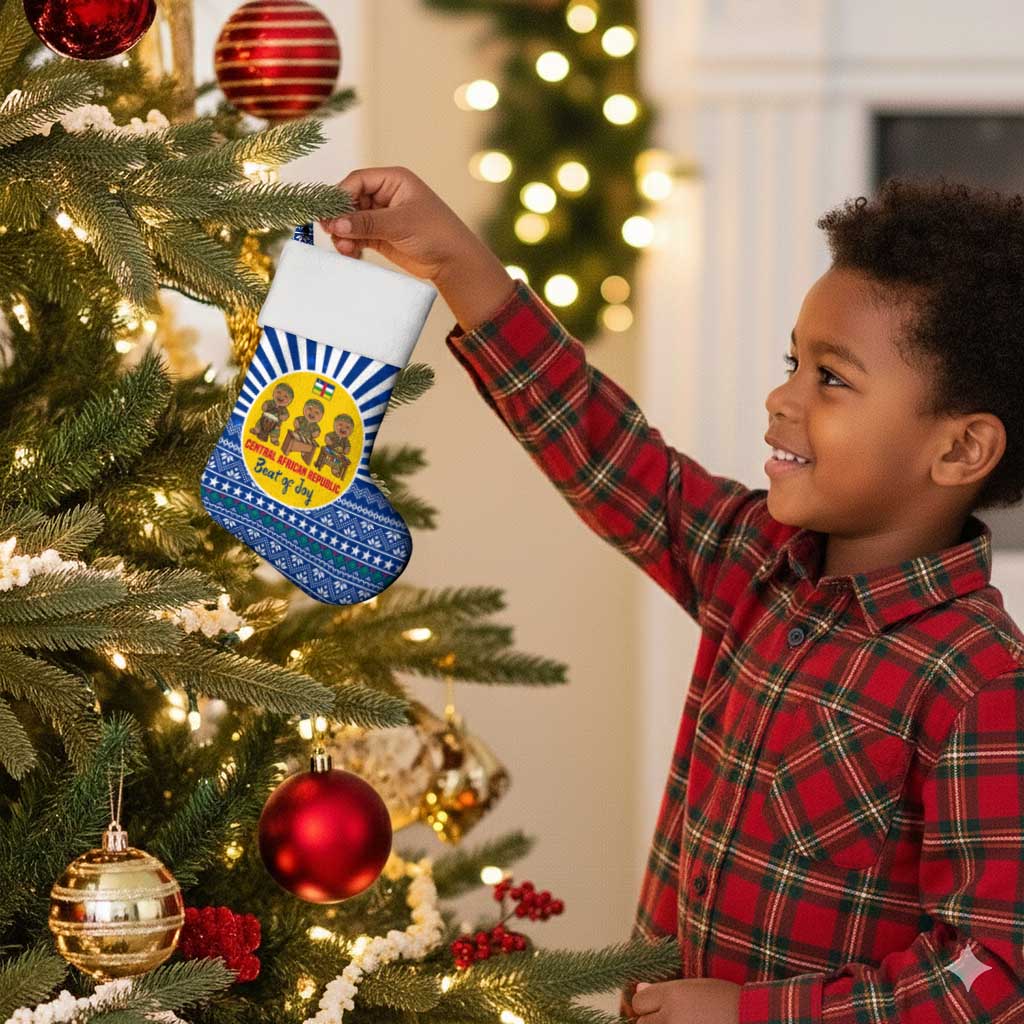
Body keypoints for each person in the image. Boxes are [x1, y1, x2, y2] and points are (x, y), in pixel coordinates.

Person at [321, 168, 1024, 1024]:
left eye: (831, 380)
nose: (783, 397)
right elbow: (607, 453)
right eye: (791, 362)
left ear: (959, 450)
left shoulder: (980, 683)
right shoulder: (757, 565)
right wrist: (460, 266)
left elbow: (987, 982)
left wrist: (751, 1016)